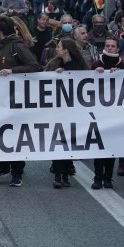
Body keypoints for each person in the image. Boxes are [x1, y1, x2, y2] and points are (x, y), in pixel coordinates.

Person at [0, 16, 41, 187]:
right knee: (1, 134)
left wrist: (12, 71)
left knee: (16, 136)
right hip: (1, 100)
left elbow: (34, 66)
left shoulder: (17, 46)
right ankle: (3, 167)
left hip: (17, 100)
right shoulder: (2, 46)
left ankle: (17, 172)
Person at [44, 38, 89, 188]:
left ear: (66, 50)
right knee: (58, 142)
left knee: (67, 143)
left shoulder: (79, 68)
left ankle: (65, 174)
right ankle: (58, 175)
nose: (56, 49)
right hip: (57, 111)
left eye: (59, 46)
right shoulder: (54, 64)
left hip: (73, 112)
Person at [90, 37, 124, 189]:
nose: (110, 48)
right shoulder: (96, 63)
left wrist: (119, 74)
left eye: (113, 46)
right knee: (99, 147)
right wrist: (95, 73)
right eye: (107, 46)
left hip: (115, 113)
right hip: (99, 112)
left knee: (111, 146)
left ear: (118, 49)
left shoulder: (123, 65)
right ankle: (97, 177)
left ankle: (108, 178)